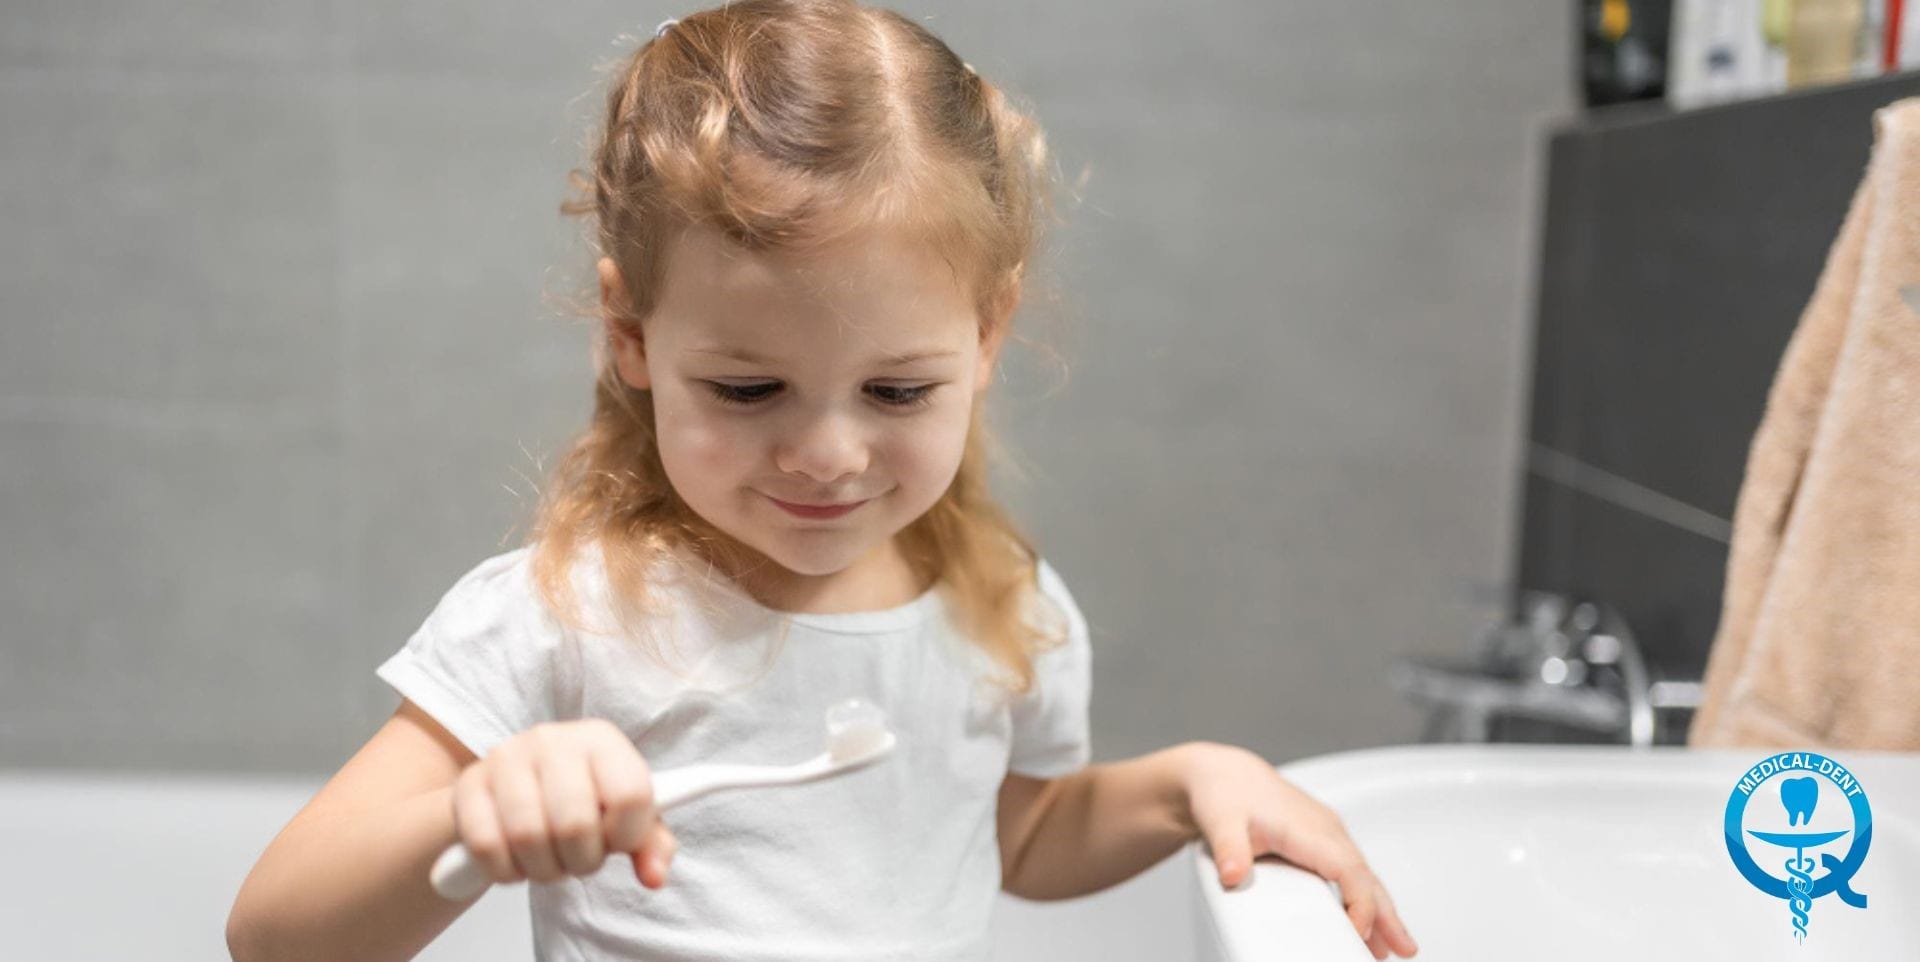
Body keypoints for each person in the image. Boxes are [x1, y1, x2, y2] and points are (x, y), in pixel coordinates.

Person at [226, 2, 1419, 959]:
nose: (829, 454)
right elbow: (274, 933)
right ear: (631, 333)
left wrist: (1187, 782)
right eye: (749, 391)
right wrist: (469, 818)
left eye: (898, 392)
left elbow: (1027, 834)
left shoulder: (1003, 606)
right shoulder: (566, 613)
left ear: (989, 337)